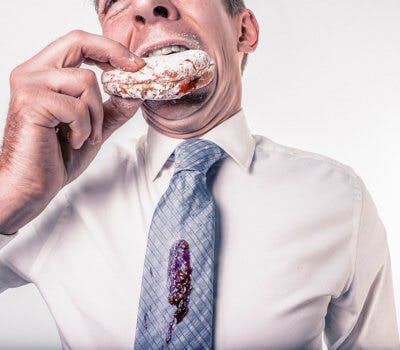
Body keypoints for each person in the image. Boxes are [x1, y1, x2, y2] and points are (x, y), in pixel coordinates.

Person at [0, 0, 398, 348]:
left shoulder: (340, 199)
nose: (146, 5)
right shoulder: (55, 194)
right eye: (117, 0)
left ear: (244, 30)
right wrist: (12, 194)